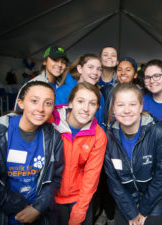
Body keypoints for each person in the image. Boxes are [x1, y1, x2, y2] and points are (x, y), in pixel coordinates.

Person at [0, 81, 64, 225]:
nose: (40, 109)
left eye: (48, 103)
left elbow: (55, 179)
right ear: (21, 103)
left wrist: (37, 208)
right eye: (34, 101)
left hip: (39, 212)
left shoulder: (53, 137)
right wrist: (19, 205)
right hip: (5, 212)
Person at [104, 83, 162, 225]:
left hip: (155, 201)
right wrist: (131, 212)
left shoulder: (158, 132)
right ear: (113, 109)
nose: (126, 110)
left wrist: (143, 210)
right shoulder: (108, 137)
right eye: (120, 105)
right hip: (125, 201)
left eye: (132, 104)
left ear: (141, 106)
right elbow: (113, 182)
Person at [52, 82, 107, 225]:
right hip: (50, 196)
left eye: (92, 103)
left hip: (79, 197)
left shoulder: (98, 135)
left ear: (98, 108)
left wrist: (81, 208)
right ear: (70, 103)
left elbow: (92, 174)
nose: (86, 109)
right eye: (80, 101)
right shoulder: (51, 122)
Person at [55, 54, 105, 127]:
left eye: (99, 69)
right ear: (80, 69)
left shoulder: (99, 94)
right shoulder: (62, 92)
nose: (95, 72)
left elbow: (100, 123)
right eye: (90, 67)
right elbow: (56, 124)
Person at [14, 46, 68, 110]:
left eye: (63, 62)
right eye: (55, 60)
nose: (60, 65)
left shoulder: (63, 85)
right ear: (44, 61)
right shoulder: (32, 86)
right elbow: (18, 113)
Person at [101, 56, 140, 125]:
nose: (123, 73)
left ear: (135, 75)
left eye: (128, 70)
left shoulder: (142, 93)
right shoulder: (107, 90)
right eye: (119, 70)